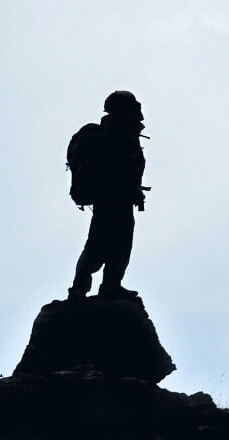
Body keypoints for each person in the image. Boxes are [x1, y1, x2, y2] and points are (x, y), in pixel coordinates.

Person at [67, 90, 147, 301]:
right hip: (111, 200)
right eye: (135, 106)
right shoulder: (114, 132)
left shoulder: (123, 131)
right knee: (98, 247)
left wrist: (134, 190)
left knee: (118, 245)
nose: (139, 111)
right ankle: (81, 289)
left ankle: (108, 286)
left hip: (120, 199)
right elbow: (117, 168)